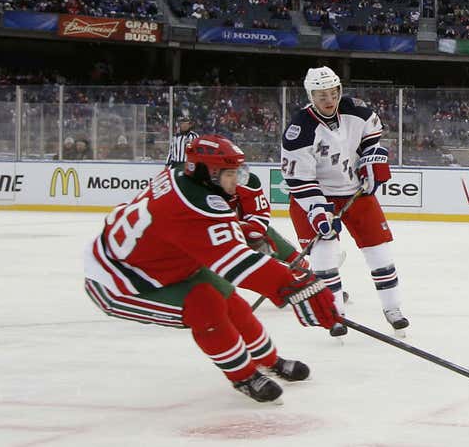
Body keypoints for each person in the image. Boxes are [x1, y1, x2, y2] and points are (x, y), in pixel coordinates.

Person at [83, 134, 340, 403]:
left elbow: (200, 234)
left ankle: (269, 360)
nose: (237, 181)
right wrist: (299, 285)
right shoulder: (196, 205)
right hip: (121, 279)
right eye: (230, 174)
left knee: (230, 300)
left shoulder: (183, 176)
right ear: (208, 173)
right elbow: (236, 264)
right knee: (205, 307)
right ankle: (243, 376)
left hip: (166, 260)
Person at [281, 66, 408, 335]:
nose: (328, 99)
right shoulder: (298, 130)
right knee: (325, 259)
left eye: (332, 93)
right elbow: (299, 180)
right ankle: (335, 315)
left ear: (339, 90)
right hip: (316, 196)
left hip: (355, 193)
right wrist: (317, 210)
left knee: (380, 252)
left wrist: (372, 160)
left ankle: (393, 308)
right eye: (321, 95)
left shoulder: (358, 111)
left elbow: (371, 141)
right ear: (311, 96)